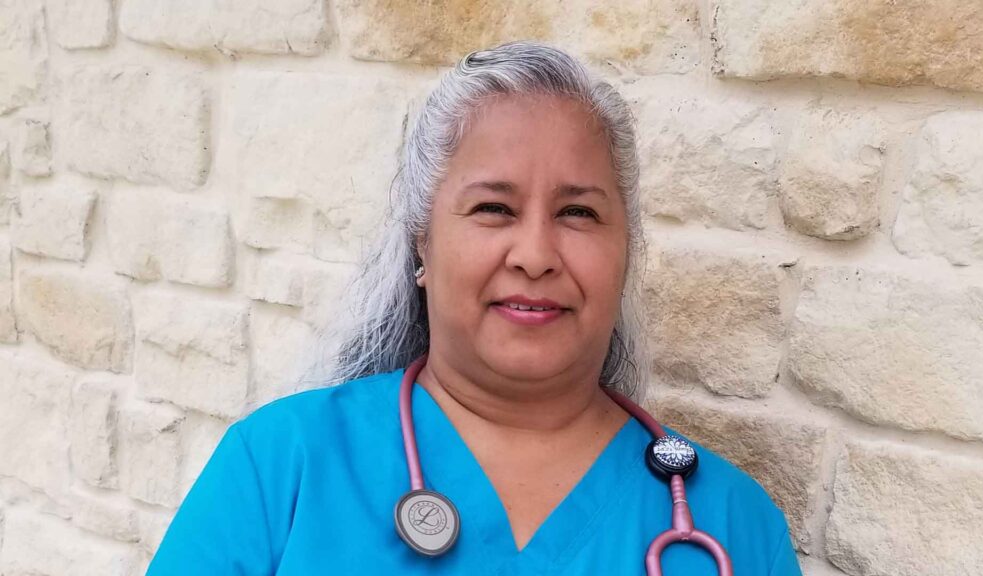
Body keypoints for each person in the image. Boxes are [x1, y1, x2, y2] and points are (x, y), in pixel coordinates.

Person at [146, 41, 802, 575]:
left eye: (579, 212)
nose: (536, 254)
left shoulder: (732, 525)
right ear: (422, 243)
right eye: (494, 208)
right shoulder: (280, 464)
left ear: (625, 248)